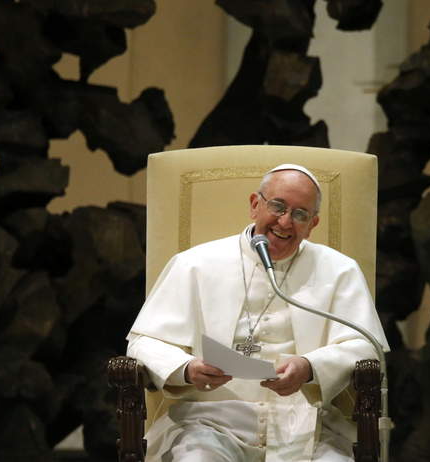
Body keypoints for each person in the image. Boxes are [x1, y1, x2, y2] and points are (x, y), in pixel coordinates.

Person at [126, 164, 389, 462]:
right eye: (277, 206)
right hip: (210, 422)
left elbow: (366, 345)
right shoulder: (194, 264)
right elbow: (143, 342)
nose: (286, 222)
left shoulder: (340, 270)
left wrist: (310, 366)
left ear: (312, 224)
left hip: (307, 426)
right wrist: (186, 368)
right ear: (255, 204)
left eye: (300, 214)